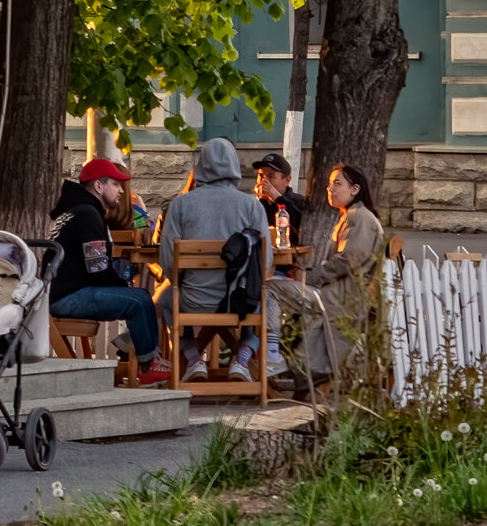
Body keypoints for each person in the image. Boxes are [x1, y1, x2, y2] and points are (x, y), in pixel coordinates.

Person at [49, 158, 171, 387]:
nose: (122, 191)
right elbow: (97, 269)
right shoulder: (87, 214)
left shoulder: (75, 210)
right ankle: (149, 366)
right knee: (140, 300)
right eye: (116, 184)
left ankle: (144, 359)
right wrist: (124, 287)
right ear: (98, 186)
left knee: (137, 297)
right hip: (66, 298)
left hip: (60, 292)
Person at [158, 138, 272, 383]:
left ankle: (193, 359)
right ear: (234, 166)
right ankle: (242, 359)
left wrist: (183, 284)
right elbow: (266, 263)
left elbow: (167, 260)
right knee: (267, 301)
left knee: (164, 299)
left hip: (192, 300)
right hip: (241, 303)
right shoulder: (252, 206)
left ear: (201, 166)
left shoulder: (180, 205)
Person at [265, 164, 384, 386]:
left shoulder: (360, 217)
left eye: (337, 183)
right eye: (330, 183)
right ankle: (284, 356)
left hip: (339, 300)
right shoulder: (351, 216)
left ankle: (272, 354)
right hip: (339, 295)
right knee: (280, 286)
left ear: (355, 189)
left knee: (269, 288)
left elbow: (349, 260)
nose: (330, 188)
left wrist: (308, 278)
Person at [251, 152, 307, 246]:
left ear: (287, 180)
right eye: (260, 176)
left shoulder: (299, 202)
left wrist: (278, 199)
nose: (264, 181)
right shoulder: (255, 205)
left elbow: (305, 230)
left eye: (271, 176)